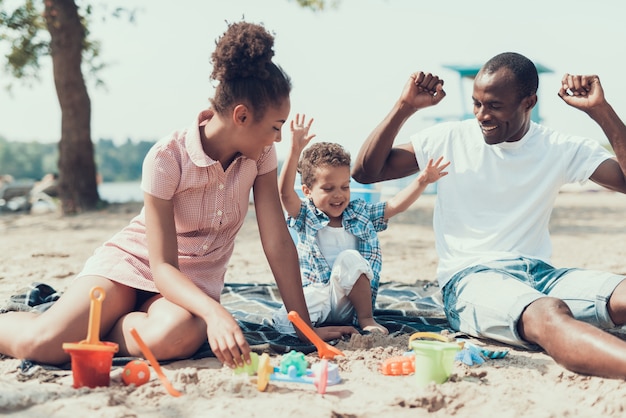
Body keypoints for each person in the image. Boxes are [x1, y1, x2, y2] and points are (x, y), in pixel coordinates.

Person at [0, 21, 355, 369]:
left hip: (188, 291)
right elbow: (162, 265)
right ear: (242, 116)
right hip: (132, 266)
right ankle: (73, 324)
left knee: (178, 338)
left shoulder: (260, 157)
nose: (278, 138)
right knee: (43, 346)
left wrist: (305, 328)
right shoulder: (166, 158)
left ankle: (98, 327)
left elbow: (277, 242)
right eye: (275, 127)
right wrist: (216, 312)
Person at [351, 52, 626, 378]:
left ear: (529, 102)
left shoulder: (558, 147)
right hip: (471, 280)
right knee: (549, 314)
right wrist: (404, 107)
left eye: (494, 105)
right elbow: (366, 171)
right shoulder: (450, 138)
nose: (482, 115)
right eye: (477, 103)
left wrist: (600, 111)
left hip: (541, 276)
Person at [272, 114, 449, 336]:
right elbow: (284, 193)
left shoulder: (360, 212)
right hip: (322, 297)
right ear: (307, 191)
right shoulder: (306, 215)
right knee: (284, 321)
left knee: (350, 258)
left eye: (344, 187)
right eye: (328, 189)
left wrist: (422, 181)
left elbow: (394, 205)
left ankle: (366, 320)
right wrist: (294, 149)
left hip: (352, 304)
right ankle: (323, 330)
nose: (338, 195)